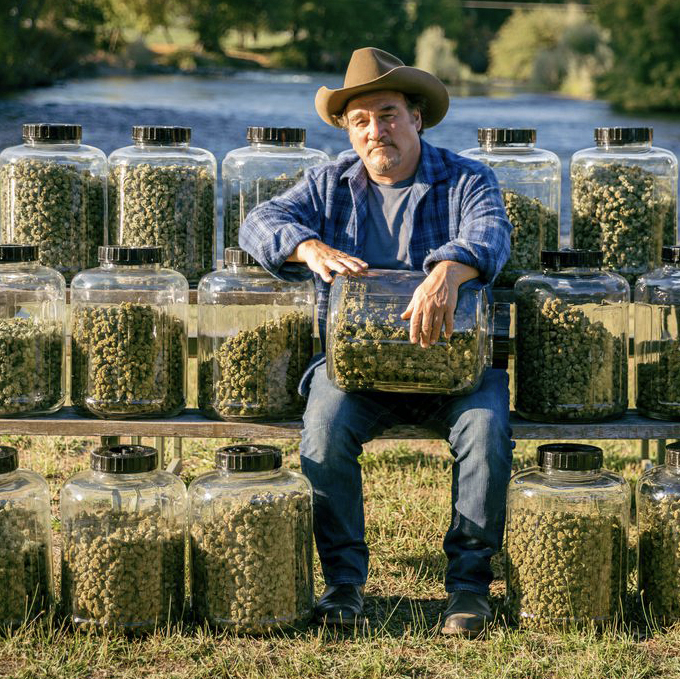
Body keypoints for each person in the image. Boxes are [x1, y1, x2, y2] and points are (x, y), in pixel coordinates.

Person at [239, 47, 514, 637]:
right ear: (348, 129)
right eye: (360, 120)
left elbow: (491, 233)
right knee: (324, 428)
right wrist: (306, 246)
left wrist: (448, 270)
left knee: (486, 431)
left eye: (387, 114)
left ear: (416, 117)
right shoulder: (328, 183)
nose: (375, 130)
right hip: (357, 372)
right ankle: (344, 584)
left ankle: (469, 587)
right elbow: (257, 221)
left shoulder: (466, 178)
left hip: (451, 369)